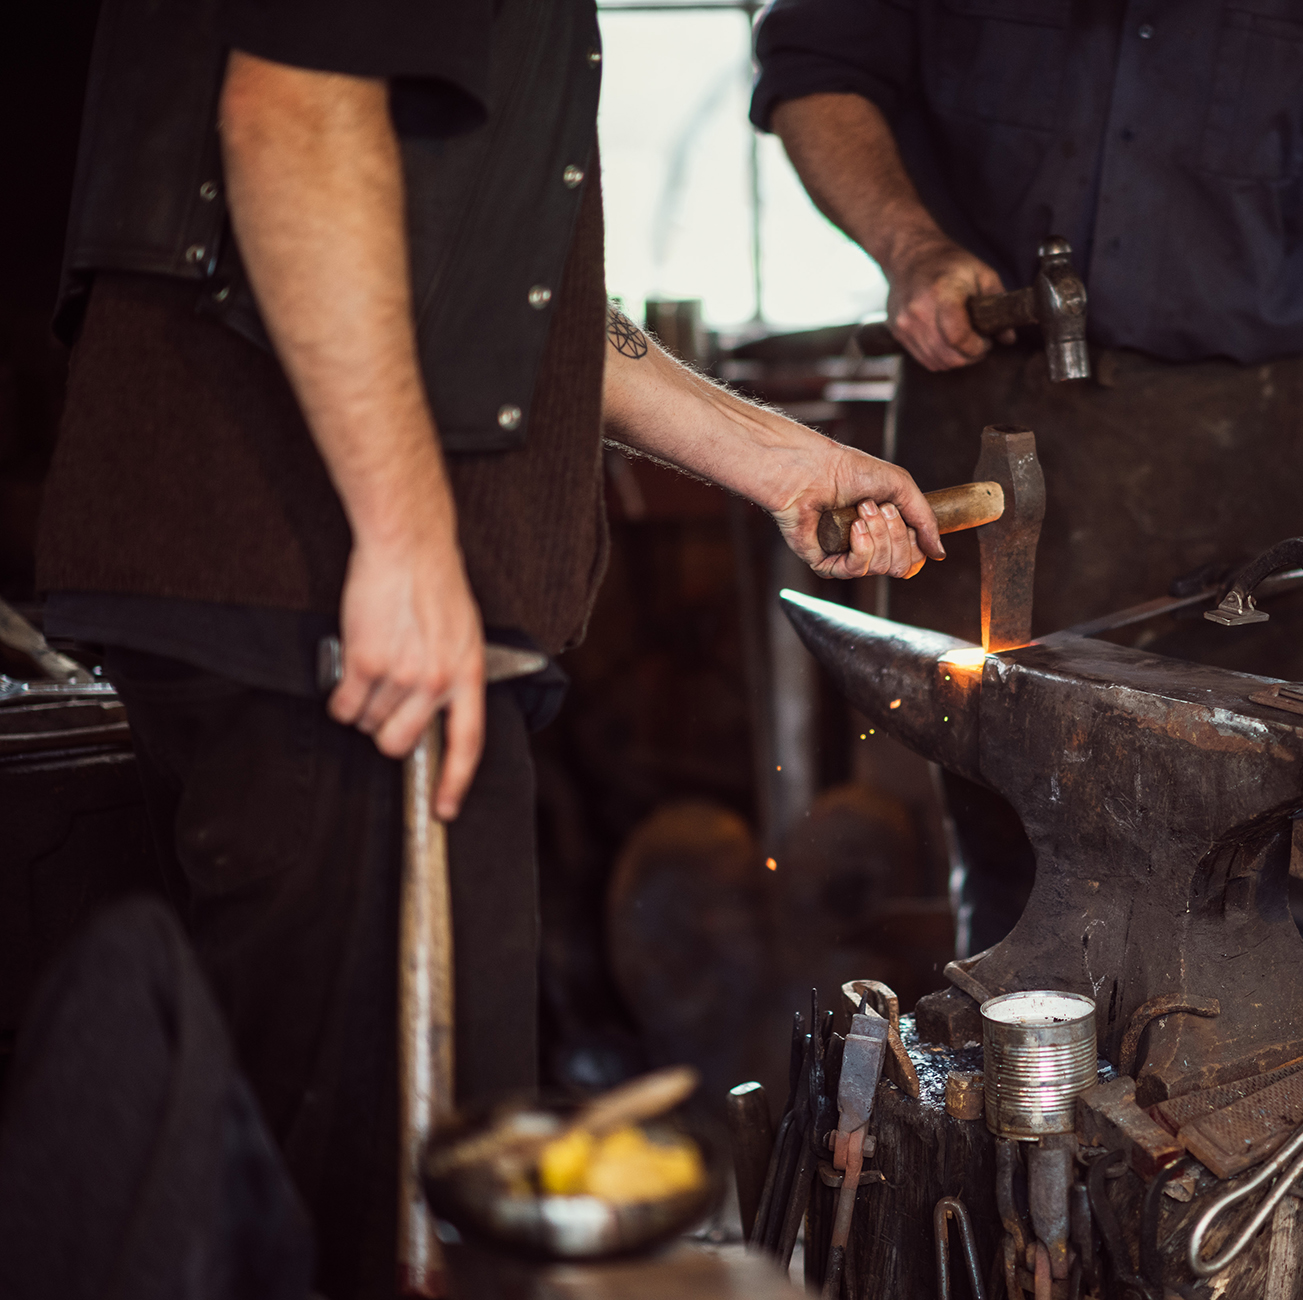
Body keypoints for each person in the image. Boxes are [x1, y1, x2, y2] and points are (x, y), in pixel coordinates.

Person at [35, 1, 939, 1295]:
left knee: (374, 1170)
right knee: (387, 1204)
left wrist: (784, 461)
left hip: (309, 602)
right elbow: (293, 110)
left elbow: (534, 310)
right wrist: (406, 542)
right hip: (325, 616)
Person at [752, 0, 1303, 957]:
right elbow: (815, 65)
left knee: (1277, 843)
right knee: (1018, 852)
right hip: (987, 421)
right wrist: (909, 245)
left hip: (1249, 455)